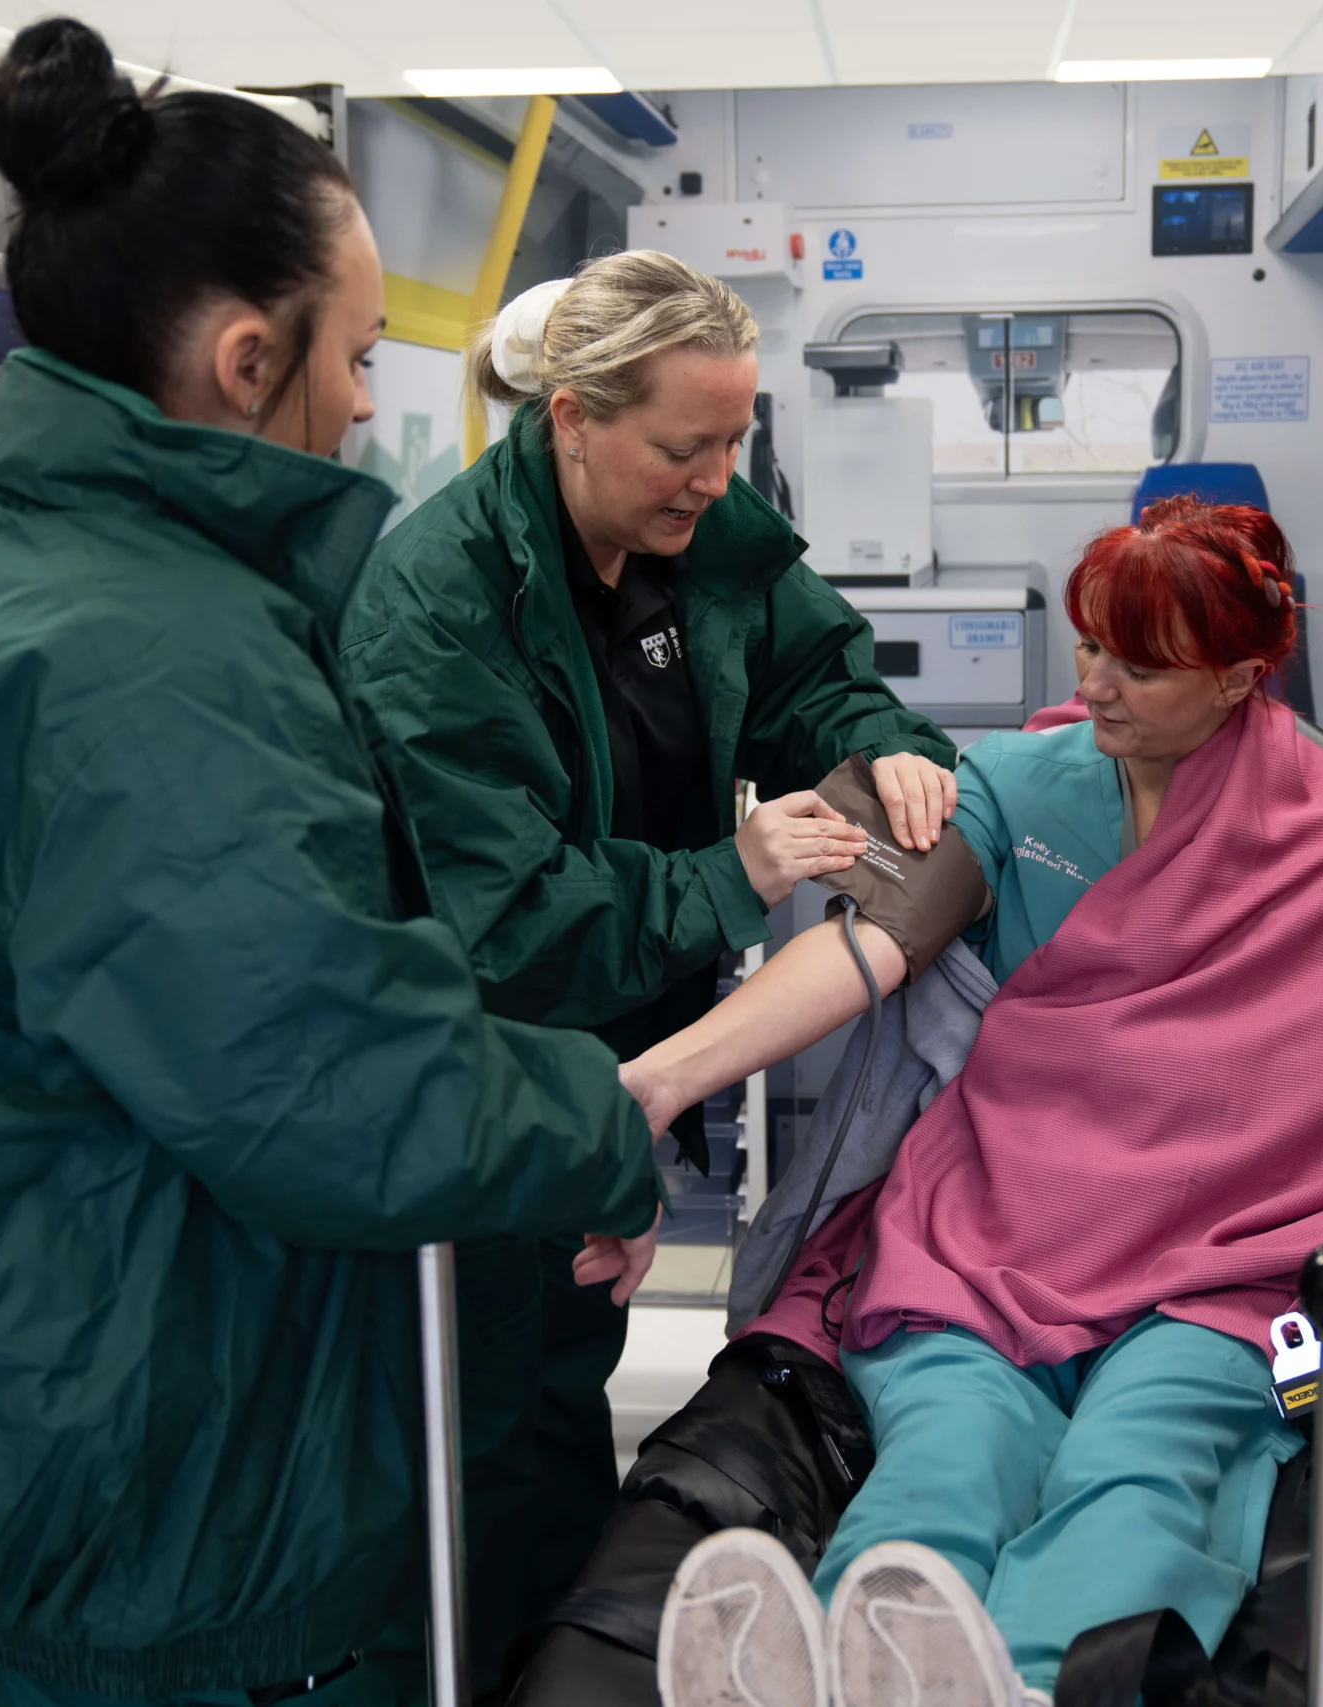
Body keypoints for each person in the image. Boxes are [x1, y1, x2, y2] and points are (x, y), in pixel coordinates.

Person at [0, 22, 657, 1707]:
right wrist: (602, 1127)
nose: (371, 399)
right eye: (359, 353)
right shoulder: (162, 670)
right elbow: (349, 1097)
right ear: (246, 361)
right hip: (166, 1501)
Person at [615, 500, 1323, 1707]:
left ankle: (1040, 1681)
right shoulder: (1014, 780)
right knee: (950, 1441)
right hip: (1000, 1222)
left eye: (1140, 667)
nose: (1093, 684)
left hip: (1227, 1253)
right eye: (1089, 644)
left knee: (1139, 1455)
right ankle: (848, 1663)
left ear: (1243, 676)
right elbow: (872, 945)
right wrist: (668, 1075)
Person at [338, 250, 959, 1685]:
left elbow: (815, 674)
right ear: (570, 418)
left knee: (567, 1389)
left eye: (738, 439)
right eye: (688, 445)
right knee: (490, 1421)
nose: (719, 476)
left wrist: (886, 749)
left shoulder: (704, 527)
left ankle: (561, 1651)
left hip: (625, 1048)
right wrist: (730, 877)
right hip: (488, 1067)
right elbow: (511, 914)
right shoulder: (439, 605)